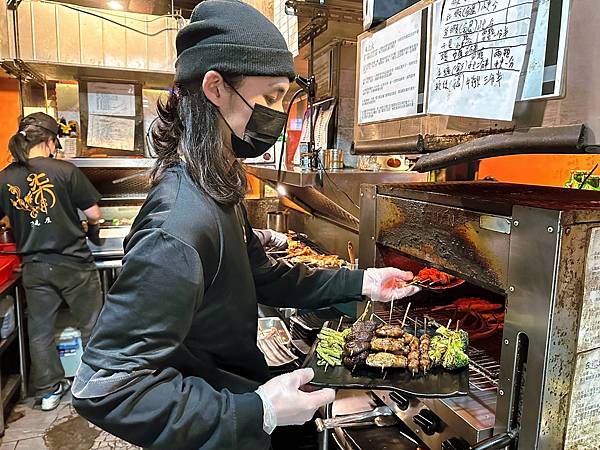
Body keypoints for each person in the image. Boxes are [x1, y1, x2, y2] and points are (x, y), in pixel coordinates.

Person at [71, 1, 420, 449]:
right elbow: (106, 387)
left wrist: (363, 281)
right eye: (270, 96)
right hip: (212, 422)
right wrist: (260, 411)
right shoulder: (179, 225)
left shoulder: (214, 185)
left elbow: (265, 276)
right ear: (215, 87)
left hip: (232, 392)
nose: (275, 113)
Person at [0, 112, 103, 411]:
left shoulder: (5, 177)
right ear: (49, 141)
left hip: (34, 267)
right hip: (74, 264)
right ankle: (94, 384)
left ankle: (48, 391)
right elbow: (94, 214)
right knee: (92, 323)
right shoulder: (64, 170)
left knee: (41, 330)